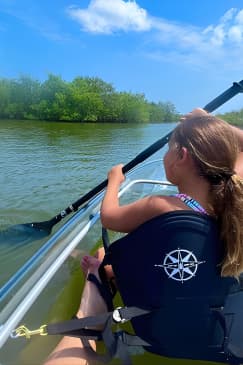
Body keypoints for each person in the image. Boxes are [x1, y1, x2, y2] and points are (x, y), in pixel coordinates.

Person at [44, 109, 243, 365]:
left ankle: (99, 280)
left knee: (103, 256)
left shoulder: (161, 205)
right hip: (222, 336)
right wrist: (214, 124)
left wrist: (114, 180)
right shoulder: (236, 197)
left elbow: (109, 216)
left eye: (169, 148)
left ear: (181, 156)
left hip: (159, 336)